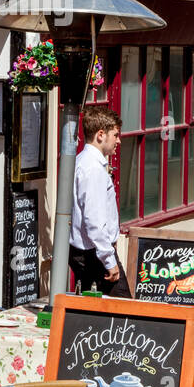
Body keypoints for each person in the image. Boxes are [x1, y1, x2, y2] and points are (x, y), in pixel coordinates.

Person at [69, 104, 131, 298]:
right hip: (94, 255)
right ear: (101, 135)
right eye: (116, 135)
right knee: (123, 314)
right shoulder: (93, 169)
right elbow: (94, 220)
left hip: (89, 252)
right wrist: (108, 259)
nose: (119, 141)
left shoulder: (82, 161)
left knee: (96, 314)